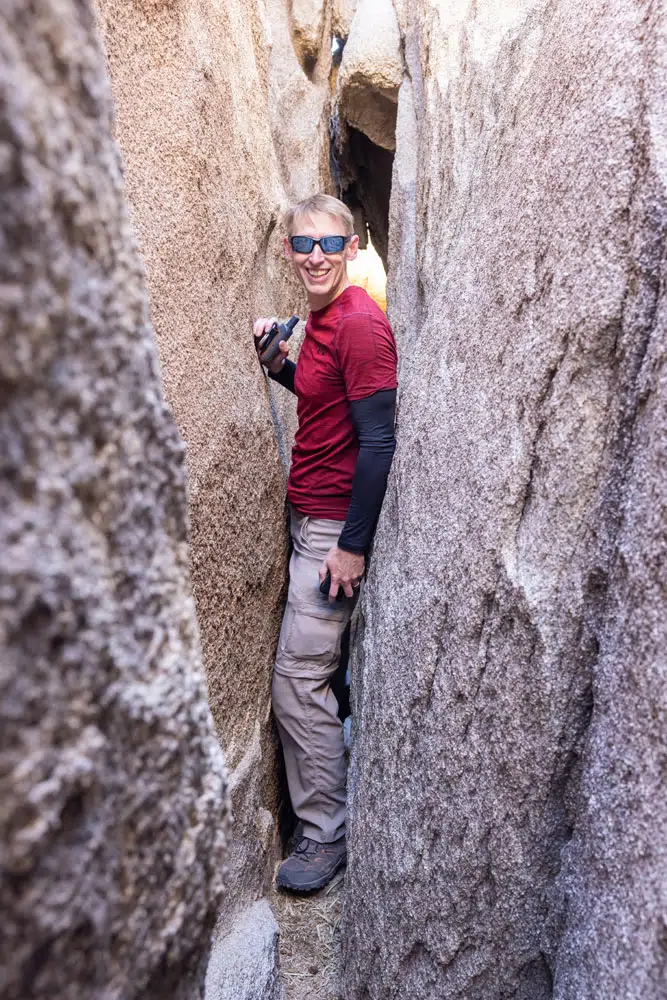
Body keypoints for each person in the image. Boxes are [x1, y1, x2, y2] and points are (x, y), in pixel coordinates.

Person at [254, 193, 398, 892]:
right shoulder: (321, 319)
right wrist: (276, 364)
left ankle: (324, 836)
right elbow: (320, 402)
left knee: (296, 681)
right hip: (307, 518)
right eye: (302, 245)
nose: (315, 257)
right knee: (314, 675)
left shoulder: (361, 326)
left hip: (331, 533)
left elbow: (377, 441)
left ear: (348, 249)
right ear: (290, 251)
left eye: (328, 245)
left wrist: (351, 545)